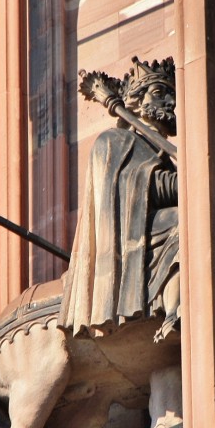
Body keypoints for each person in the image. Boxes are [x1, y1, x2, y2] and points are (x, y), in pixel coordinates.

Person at [60, 57, 182, 340]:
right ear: (136, 103)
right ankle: (174, 309)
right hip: (130, 235)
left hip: (151, 224)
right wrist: (188, 182)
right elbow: (142, 187)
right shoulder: (115, 141)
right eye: (159, 93)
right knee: (185, 219)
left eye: (171, 94)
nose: (169, 101)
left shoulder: (161, 147)